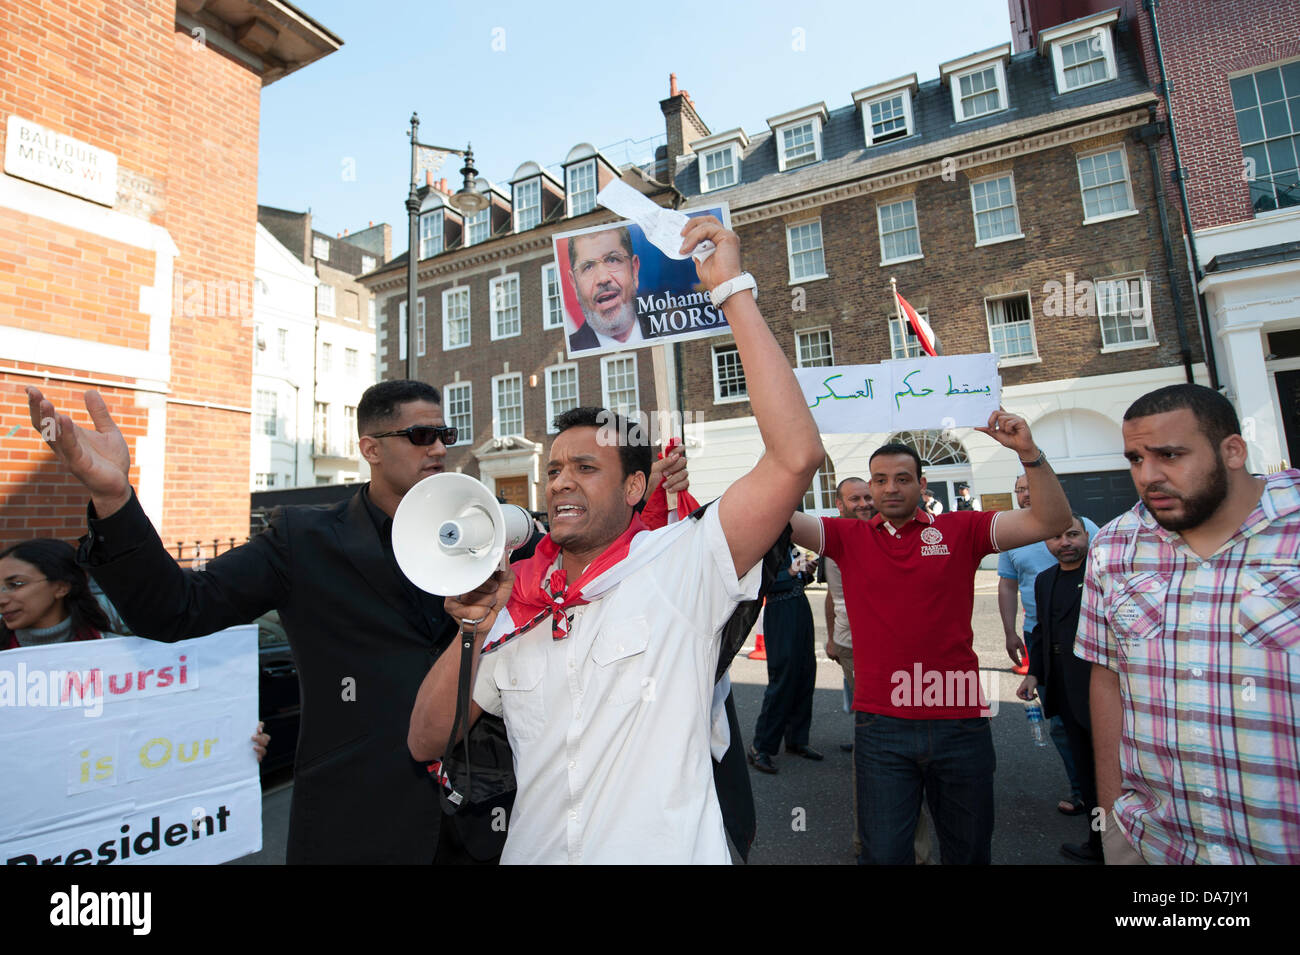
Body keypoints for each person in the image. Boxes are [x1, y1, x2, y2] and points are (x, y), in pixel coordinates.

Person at [25, 379, 688, 864]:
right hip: (354, 826)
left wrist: (644, 494)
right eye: (419, 435)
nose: (438, 449)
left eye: (445, 436)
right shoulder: (302, 540)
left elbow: (598, 572)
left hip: (486, 824)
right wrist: (114, 498)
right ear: (369, 446)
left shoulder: (494, 534)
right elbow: (175, 609)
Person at [408, 215, 826, 863]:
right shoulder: (513, 604)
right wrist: (470, 632)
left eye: (585, 467)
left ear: (636, 488)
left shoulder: (683, 564)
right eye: (552, 469)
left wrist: (730, 289)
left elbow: (794, 456)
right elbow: (425, 741)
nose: (561, 482)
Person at [789, 422, 1072, 865]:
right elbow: (773, 513)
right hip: (881, 727)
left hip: (960, 723)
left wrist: (1029, 453)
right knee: (884, 855)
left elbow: (1052, 520)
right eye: (879, 480)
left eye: (902, 478)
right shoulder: (847, 537)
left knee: (969, 851)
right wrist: (794, 457)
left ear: (922, 484)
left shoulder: (964, 529)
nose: (890, 488)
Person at [1077, 383, 1300, 865]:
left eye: (1170, 455)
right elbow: (1108, 677)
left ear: (1233, 451)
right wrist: (1114, 817)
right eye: (1136, 459)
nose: (1148, 476)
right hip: (1159, 845)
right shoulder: (1115, 546)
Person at [0, 538, 269, 758]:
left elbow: (164, 732)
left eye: (15, 585)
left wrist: (234, 744)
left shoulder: (121, 659)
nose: (2, 598)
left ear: (61, 587)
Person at [998, 473, 1099, 811]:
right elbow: (1008, 586)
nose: (1063, 542)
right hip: (1042, 636)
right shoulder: (1016, 538)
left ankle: (1112, 799)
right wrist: (1013, 635)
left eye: (1071, 535)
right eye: (1020, 490)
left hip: (1090, 641)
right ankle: (1083, 792)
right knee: (1061, 722)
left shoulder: (1089, 538)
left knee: (1099, 722)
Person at [1015, 515, 1100, 863]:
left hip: (1099, 690)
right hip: (1064, 692)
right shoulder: (1045, 579)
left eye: (1073, 534)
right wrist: (1034, 673)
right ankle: (1098, 842)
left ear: (1086, 536)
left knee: (1112, 772)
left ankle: (1125, 844)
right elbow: (1040, 632)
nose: (1064, 542)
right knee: (1087, 776)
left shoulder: (1100, 575)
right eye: (1056, 537)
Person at [747, 541, 820, 774]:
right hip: (779, 611)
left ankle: (797, 739)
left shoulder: (791, 545)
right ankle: (761, 747)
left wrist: (807, 571)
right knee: (783, 677)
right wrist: (791, 571)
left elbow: (800, 578)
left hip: (800, 607)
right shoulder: (763, 544)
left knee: (806, 673)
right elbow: (758, 585)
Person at [565, 226, 651, 352]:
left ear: (634, 270)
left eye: (612, 260)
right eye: (588, 267)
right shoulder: (573, 347)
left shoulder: (669, 330)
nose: (603, 278)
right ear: (574, 284)